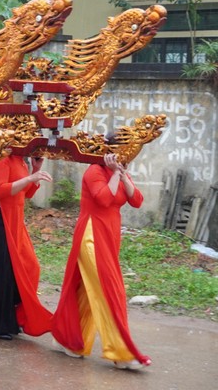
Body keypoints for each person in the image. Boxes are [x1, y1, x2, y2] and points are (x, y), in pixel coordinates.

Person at [51, 153, 152, 370]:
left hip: (109, 235)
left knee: (86, 291)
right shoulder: (94, 172)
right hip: (91, 235)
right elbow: (105, 199)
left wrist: (123, 175)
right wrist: (115, 173)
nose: (125, 157)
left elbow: (137, 201)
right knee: (108, 290)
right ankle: (121, 352)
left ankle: (67, 339)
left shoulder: (119, 170)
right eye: (121, 152)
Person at [0, 151, 53, 340]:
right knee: (0, 274)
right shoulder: (0, 159)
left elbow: (26, 193)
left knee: (29, 268)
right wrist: (31, 176)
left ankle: (14, 317)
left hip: (15, 221)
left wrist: (35, 169)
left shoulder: (20, 161)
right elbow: (1, 190)